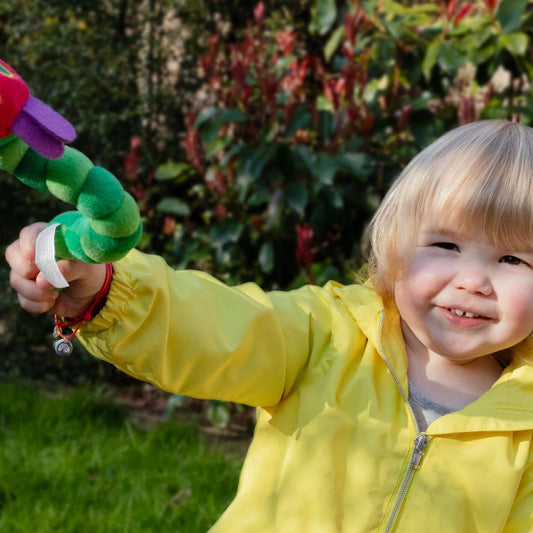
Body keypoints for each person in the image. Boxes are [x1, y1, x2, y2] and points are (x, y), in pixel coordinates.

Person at [5, 119, 533, 532]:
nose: (473, 282)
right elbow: (214, 328)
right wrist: (106, 287)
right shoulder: (327, 334)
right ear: (396, 251)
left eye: (513, 261)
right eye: (445, 245)